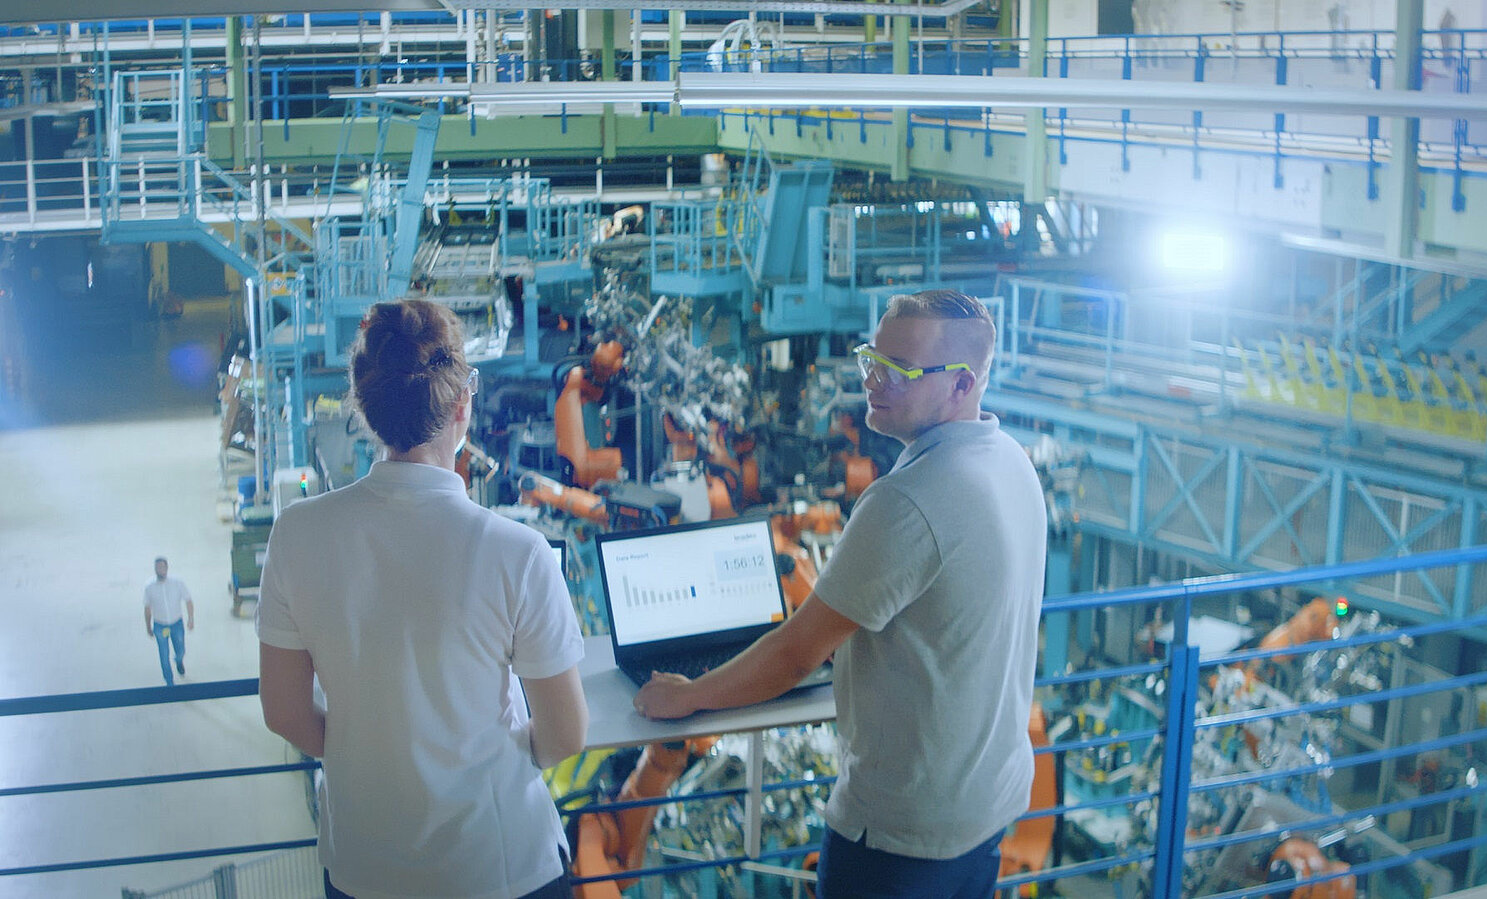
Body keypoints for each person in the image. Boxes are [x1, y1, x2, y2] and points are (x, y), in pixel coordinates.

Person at [635, 289, 1047, 899]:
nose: (873, 381)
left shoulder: (907, 500)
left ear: (962, 385)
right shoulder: (1011, 460)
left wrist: (692, 693)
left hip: (901, 834)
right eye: (869, 359)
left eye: (899, 372)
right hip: (985, 808)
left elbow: (796, 653)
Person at [256, 299, 589, 899]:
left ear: (364, 406)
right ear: (463, 405)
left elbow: (284, 711)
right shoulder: (517, 552)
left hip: (364, 868)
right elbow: (565, 734)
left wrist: (377, 757)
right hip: (501, 865)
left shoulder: (296, 535)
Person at [143, 556, 194, 687]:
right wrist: (148, 627)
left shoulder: (177, 583)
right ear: (155, 569)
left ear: (167, 568)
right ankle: (169, 681)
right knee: (163, 654)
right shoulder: (149, 587)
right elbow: (147, 608)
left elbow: (188, 600)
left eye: (162, 567)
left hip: (176, 624)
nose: (160, 570)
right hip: (160, 626)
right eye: (158, 567)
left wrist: (191, 619)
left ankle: (178, 660)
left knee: (181, 649)